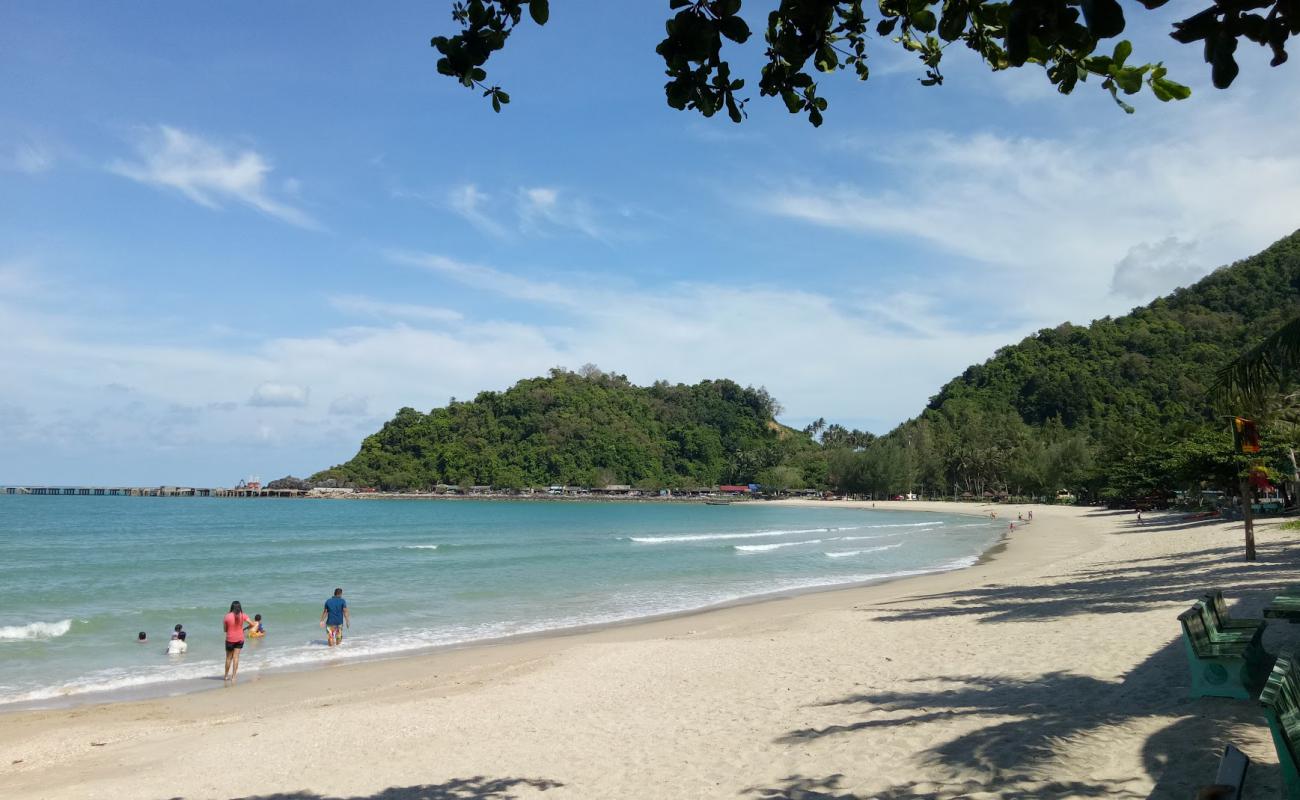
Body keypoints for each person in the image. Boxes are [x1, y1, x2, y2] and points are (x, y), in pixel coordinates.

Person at [222, 600, 253, 682]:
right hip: (240, 639)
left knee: (228, 658)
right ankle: (234, 677)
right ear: (240, 607)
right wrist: (245, 629)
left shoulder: (227, 616)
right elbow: (252, 624)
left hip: (230, 639)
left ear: (231, 607)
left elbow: (225, 630)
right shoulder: (243, 615)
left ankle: (225, 676)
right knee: (236, 657)